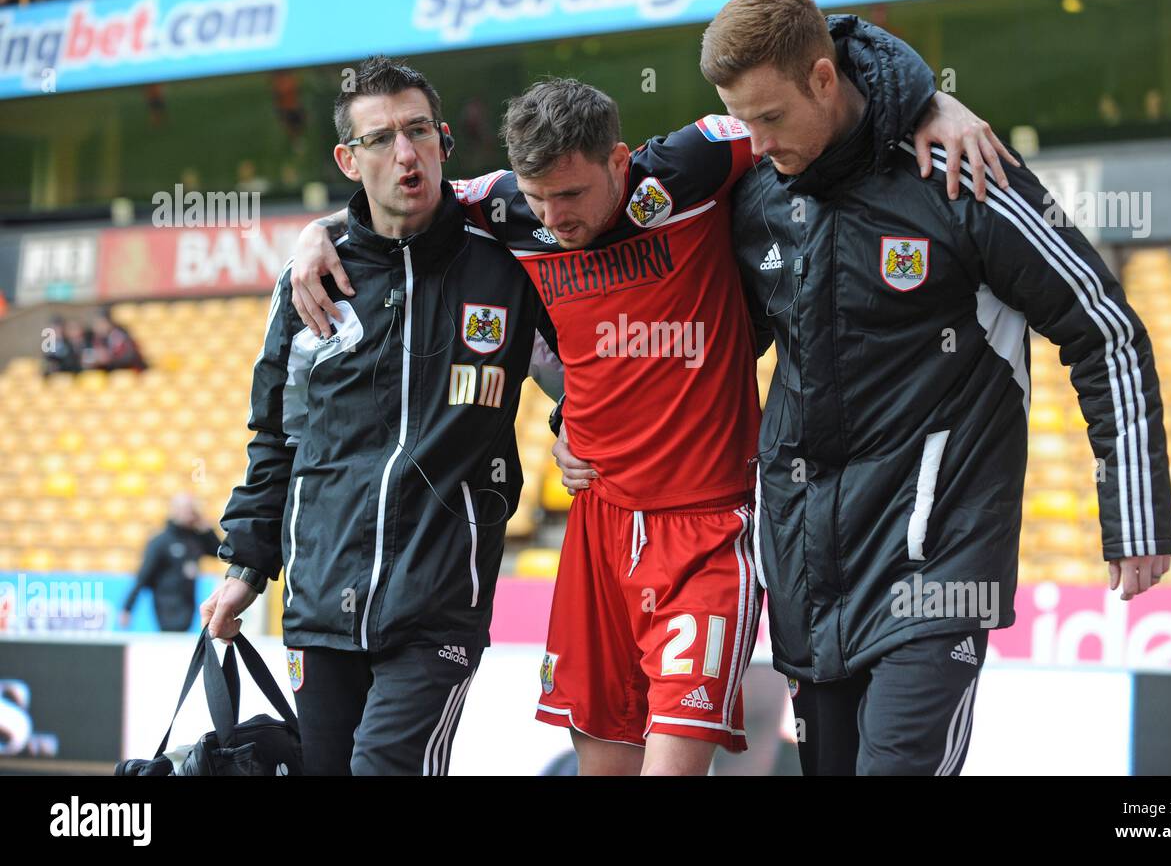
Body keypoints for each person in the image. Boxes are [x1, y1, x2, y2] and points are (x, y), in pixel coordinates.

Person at [289, 44, 1004, 774]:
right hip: (598, 526)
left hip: (707, 528)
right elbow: (396, 202)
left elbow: (798, 96)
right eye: (538, 199)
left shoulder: (694, 164)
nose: (554, 218)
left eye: (571, 196)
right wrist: (317, 233)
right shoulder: (504, 208)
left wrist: (926, 102)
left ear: (621, 162)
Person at [692, 0, 1171, 775]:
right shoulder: (756, 192)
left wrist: (1136, 514)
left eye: (770, 117)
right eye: (742, 120)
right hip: (808, 576)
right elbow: (713, 353)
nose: (757, 139)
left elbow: (1103, 327)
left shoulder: (962, 170)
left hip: (936, 573)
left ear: (823, 78)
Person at [201, 56, 562, 776]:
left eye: (419, 130)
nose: (406, 153)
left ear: (444, 141)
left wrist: (572, 429)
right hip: (318, 603)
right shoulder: (309, 283)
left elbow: (584, 367)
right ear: (348, 158)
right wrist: (248, 561)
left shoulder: (509, 259)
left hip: (438, 605)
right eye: (382, 138)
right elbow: (277, 436)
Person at [119, 493, 221, 631]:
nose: (191, 513)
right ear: (175, 511)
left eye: (192, 509)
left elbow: (218, 552)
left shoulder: (196, 538)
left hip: (189, 605)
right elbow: (143, 576)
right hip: (166, 605)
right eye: (187, 509)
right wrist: (127, 608)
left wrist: (206, 528)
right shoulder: (161, 541)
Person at [86, 306, 147, 371]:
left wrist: (110, 358)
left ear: (108, 323)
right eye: (96, 324)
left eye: (100, 323)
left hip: (128, 371)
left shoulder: (120, 335)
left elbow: (130, 357)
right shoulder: (98, 338)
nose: (97, 327)